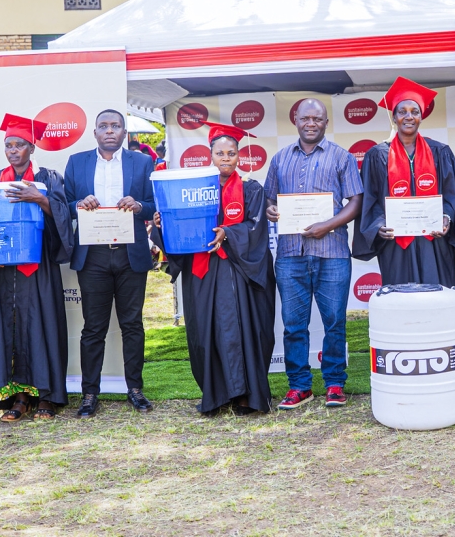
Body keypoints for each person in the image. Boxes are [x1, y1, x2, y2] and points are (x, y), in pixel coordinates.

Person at [152, 122, 276, 415]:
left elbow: (257, 228)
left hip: (239, 271)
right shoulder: (192, 188)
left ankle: (247, 396)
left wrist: (228, 233)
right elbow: (181, 229)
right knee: (207, 331)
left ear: (239, 156)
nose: (226, 158)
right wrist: (163, 224)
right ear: (210, 156)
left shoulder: (251, 189)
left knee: (245, 330)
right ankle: (217, 395)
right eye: (220, 153)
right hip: (203, 271)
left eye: (231, 153)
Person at [0, 114, 74, 422]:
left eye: (19, 145)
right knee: (9, 328)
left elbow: (63, 218)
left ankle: (47, 395)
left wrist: (39, 198)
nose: (13, 150)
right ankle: (19, 397)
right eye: (8, 145)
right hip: (3, 269)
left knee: (43, 326)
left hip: (38, 267)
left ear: (32, 148)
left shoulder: (48, 178)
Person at [264, 98, 364, 410]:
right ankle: (299, 386)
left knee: (334, 323)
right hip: (290, 254)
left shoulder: (342, 157)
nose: (311, 124)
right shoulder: (280, 159)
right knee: (293, 325)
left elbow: (356, 201)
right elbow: (269, 200)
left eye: (317, 119)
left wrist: (327, 225)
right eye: (305, 118)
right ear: (295, 120)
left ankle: (334, 383)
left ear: (326, 123)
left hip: (332, 253)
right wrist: (271, 210)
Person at [64, 110, 156, 417]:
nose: (109, 131)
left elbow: (155, 204)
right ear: (95, 132)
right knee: (93, 328)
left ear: (124, 132)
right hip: (93, 255)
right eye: (103, 126)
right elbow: (64, 204)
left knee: (132, 325)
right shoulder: (77, 162)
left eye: (115, 126)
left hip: (131, 253)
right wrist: (79, 204)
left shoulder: (142, 162)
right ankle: (90, 393)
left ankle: (135, 389)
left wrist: (139, 205)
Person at [354, 77, 455, 287]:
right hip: (396, 244)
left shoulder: (440, 152)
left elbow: (453, 195)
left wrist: (446, 218)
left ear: (421, 117)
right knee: (401, 297)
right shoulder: (377, 155)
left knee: (437, 295)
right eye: (402, 111)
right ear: (394, 117)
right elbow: (369, 199)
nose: (409, 117)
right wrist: (378, 226)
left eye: (414, 112)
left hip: (435, 242)